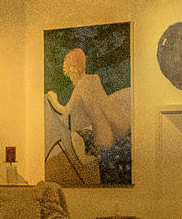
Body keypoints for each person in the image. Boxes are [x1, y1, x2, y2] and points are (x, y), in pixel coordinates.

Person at [48, 44, 130, 187]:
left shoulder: (81, 87)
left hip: (104, 143)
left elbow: (67, 117)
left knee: (108, 187)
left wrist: (52, 98)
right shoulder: (94, 79)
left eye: (68, 73)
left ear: (72, 69)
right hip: (121, 135)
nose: (70, 78)